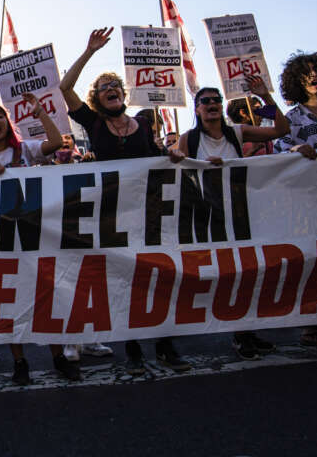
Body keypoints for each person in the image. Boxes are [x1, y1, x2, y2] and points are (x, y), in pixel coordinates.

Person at [60, 27, 190, 375]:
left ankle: (165, 345)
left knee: (159, 276)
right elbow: (64, 88)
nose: (111, 89)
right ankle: (133, 350)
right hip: (112, 215)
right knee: (126, 282)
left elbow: (157, 156)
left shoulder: (144, 123)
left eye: (115, 85)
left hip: (149, 212)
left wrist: (171, 156)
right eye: (104, 88)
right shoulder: (94, 123)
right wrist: (88, 52)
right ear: (97, 99)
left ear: (123, 93)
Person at [0, 96, 81, 385]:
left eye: (0, 116)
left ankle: (58, 357)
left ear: (8, 124)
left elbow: (55, 143)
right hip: (0, 241)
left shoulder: (27, 150)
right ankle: (19, 362)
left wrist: (40, 113)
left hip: (33, 236)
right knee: (9, 303)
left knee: (45, 295)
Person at [176, 79, 289, 359]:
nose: (212, 104)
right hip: (212, 218)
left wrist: (266, 97)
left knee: (250, 272)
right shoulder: (189, 138)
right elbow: (179, 170)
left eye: (216, 100)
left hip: (243, 213)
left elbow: (281, 131)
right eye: (206, 101)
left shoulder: (237, 132)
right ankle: (240, 335)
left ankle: (249, 331)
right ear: (197, 108)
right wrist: (182, 160)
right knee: (230, 274)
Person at [272, 50, 317, 347]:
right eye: (305, 73)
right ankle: (312, 322)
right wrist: (294, 150)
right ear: (297, 83)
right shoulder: (293, 118)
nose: (313, 75)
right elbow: (278, 146)